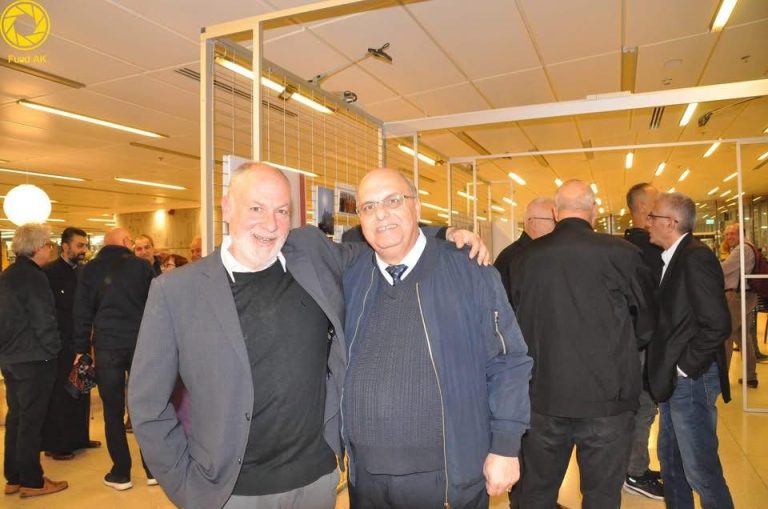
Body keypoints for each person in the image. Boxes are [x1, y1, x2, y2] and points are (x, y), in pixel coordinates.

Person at [128, 162, 487, 509]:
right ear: (227, 208)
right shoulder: (177, 292)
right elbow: (147, 403)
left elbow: (386, 240)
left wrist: (444, 235)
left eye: (282, 211)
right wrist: (185, 485)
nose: (270, 224)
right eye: (256, 208)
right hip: (229, 492)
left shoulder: (311, 253)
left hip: (315, 482)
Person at [341, 168, 532, 509]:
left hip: (446, 476)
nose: (381, 214)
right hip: (366, 480)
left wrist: (505, 446)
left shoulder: (469, 269)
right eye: (368, 207)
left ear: (415, 206)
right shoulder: (352, 276)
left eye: (393, 201)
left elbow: (508, 361)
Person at [509, 179, 656, 509]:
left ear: (555, 212)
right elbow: (648, 322)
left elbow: (514, 324)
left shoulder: (525, 258)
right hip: (608, 400)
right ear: (595, 210)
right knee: (601, 496)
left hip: (543, 399)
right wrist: (618, 346)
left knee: (536, 494)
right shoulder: (623, 254)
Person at [646, 192, 733, 508]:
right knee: (671, 462)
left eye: (653, 217)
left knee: (700, 469)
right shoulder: (674, 257)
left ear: (671, 222)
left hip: (691, 380)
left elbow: (717, 324)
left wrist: (684, 368)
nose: (648, 222)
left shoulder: (695, 257)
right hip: (677, 380)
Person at [72, 227, 155, 491]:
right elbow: (156, 306)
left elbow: (81, 311)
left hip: (107, 346)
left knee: (112, 410)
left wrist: (81, 347)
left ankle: (121, 473)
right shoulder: (142, 267)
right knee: (145, 407)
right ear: (127, 242)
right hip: (140, 344)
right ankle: (152, 469)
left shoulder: (89, 270)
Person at [0, 223, 68, 498]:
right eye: (48, 244)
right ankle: (32, 480)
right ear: (39, 247)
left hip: (10, 357)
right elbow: (43, 318)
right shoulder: (34, 277)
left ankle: (14, 477)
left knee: (16, 417)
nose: (50, 249)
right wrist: (54, 349)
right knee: (31, 422)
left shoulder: (7, 275)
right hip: (35, 358)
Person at [621, 183, 664, 500]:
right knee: (645, 408)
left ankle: (634, 467)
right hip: (645, 346)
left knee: (639, 408)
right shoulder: (649, 252)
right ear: (645, 208)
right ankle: (634, 472)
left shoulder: (624, 248)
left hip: (631, 344)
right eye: (657, 199)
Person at [42, 227, 100, 460]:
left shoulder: (85, 272)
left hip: (81, 341)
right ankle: (58, 444)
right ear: (65, 246)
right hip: (60, 344)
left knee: (81, 389)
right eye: (79, 245)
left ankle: (79, 437)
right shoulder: (49, 273)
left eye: (85, 245)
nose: (84, 250)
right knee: (61, 393)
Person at [722, 223, 762, 388]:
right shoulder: (749, 247)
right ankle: (750, 376)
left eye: (732, 234)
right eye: (727, 234)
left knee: (725, 334)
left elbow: (724, 269)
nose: (728, 237)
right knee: (743, 337)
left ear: (741, 233)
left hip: (738, 297)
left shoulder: (742, 249)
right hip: (747, 296)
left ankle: (721, 377)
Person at [494, 197, 555, 301]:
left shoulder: (531, 253)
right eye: (554, 220)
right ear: (533, 223)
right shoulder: (516, 258)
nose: (558, 226)